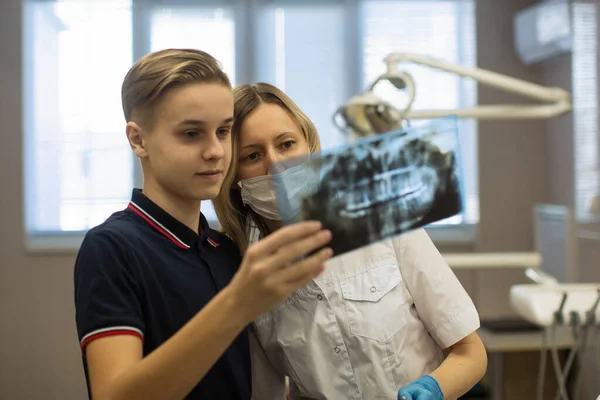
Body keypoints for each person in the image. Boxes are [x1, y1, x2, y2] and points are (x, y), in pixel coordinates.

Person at [73, 50, 333, 400]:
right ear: (138, 139)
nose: (215, 151)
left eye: (224, 131)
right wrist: (237, 303)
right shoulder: (112, 248)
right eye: (192, 134)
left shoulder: (227, 252)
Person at [213, 82, 488, 400]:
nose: (275, 165)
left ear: (310, 147)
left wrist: (434, 389)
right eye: (252, 155)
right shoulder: (247, 277)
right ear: (234, 177)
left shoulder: (385, 221)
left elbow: (470, 352)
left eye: (286, 144)